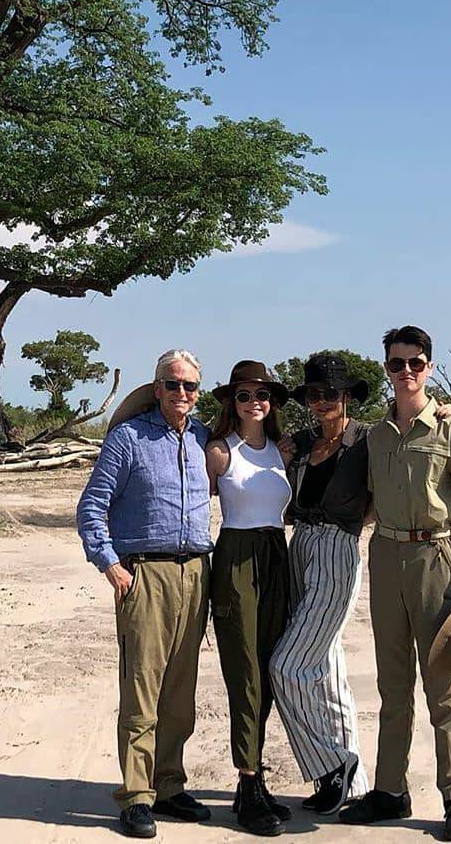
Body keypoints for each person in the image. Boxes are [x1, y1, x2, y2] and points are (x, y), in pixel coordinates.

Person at [270, 355, 451, 815]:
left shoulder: (367, 441)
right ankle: (352, 785)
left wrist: (446, 412)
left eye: (330, 394)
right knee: (328, 667)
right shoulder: (298, 443)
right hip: (300, 548)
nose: (321, 403)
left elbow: (400, 467)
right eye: (313, 394)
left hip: (339, 548)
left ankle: (335, 764)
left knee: (287, 665)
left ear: (348, 397)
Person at [341, 326, 451, 842]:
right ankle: (389, 791)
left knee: (442, 685)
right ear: (385, 368)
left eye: (416, 363)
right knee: (392, 682)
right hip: (385, 554)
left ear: (428, 368)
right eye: (397, 363)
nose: (406, 372)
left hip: (437, 557)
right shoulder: (375, 434)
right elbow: (362, 498)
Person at [76, 349, 213, 840]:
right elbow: (92, 505)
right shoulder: (127, 439)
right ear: (157, 388)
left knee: (180, 691)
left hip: (197, 573)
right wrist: (109, 563)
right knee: (142, 689)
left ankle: (170, 786)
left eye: (191, 386)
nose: (182, 394)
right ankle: (136, 795)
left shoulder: (203, 439)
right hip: (144, 575)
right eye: (173, 384)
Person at [205, 361, 293, 837]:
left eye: (262, 394)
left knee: (271, 667)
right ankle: (248, 779)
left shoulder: (283, 450)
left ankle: (250, 786)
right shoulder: (219, 451)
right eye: (244, 395)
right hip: (236, 556)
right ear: (231, 402)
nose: (254, 402)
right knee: (244, 672)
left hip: (276, 555)